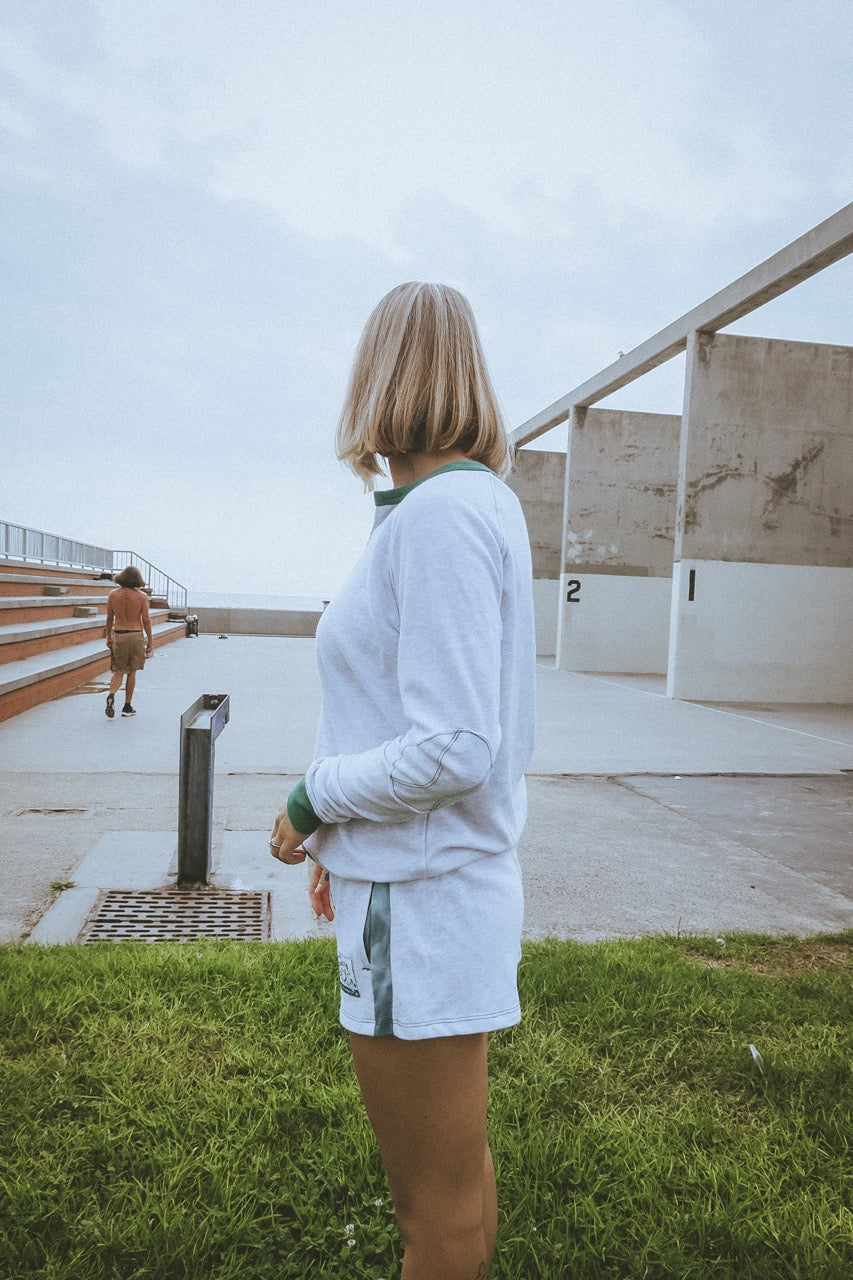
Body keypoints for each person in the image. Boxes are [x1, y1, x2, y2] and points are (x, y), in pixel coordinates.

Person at [269, 282, 536, 1279]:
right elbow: (403, 711)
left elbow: (457, 743)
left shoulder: (440, 517)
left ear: (377, 371)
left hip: (418, 902)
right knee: (455, 1184)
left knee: (435, 1216)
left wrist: (313, 799)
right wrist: (352, 842)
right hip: (424, 883)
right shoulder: (453, 507)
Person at [104, 565, 153, 718]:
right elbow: (146, 620)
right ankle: (127, 706)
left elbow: (109, 618)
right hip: (135, 635)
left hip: (119, 634)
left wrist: (109, 637)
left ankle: (112, 694)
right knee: (132, 672)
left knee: (118, 670)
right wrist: (150, 639)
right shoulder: (141, 597)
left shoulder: (113, 595)